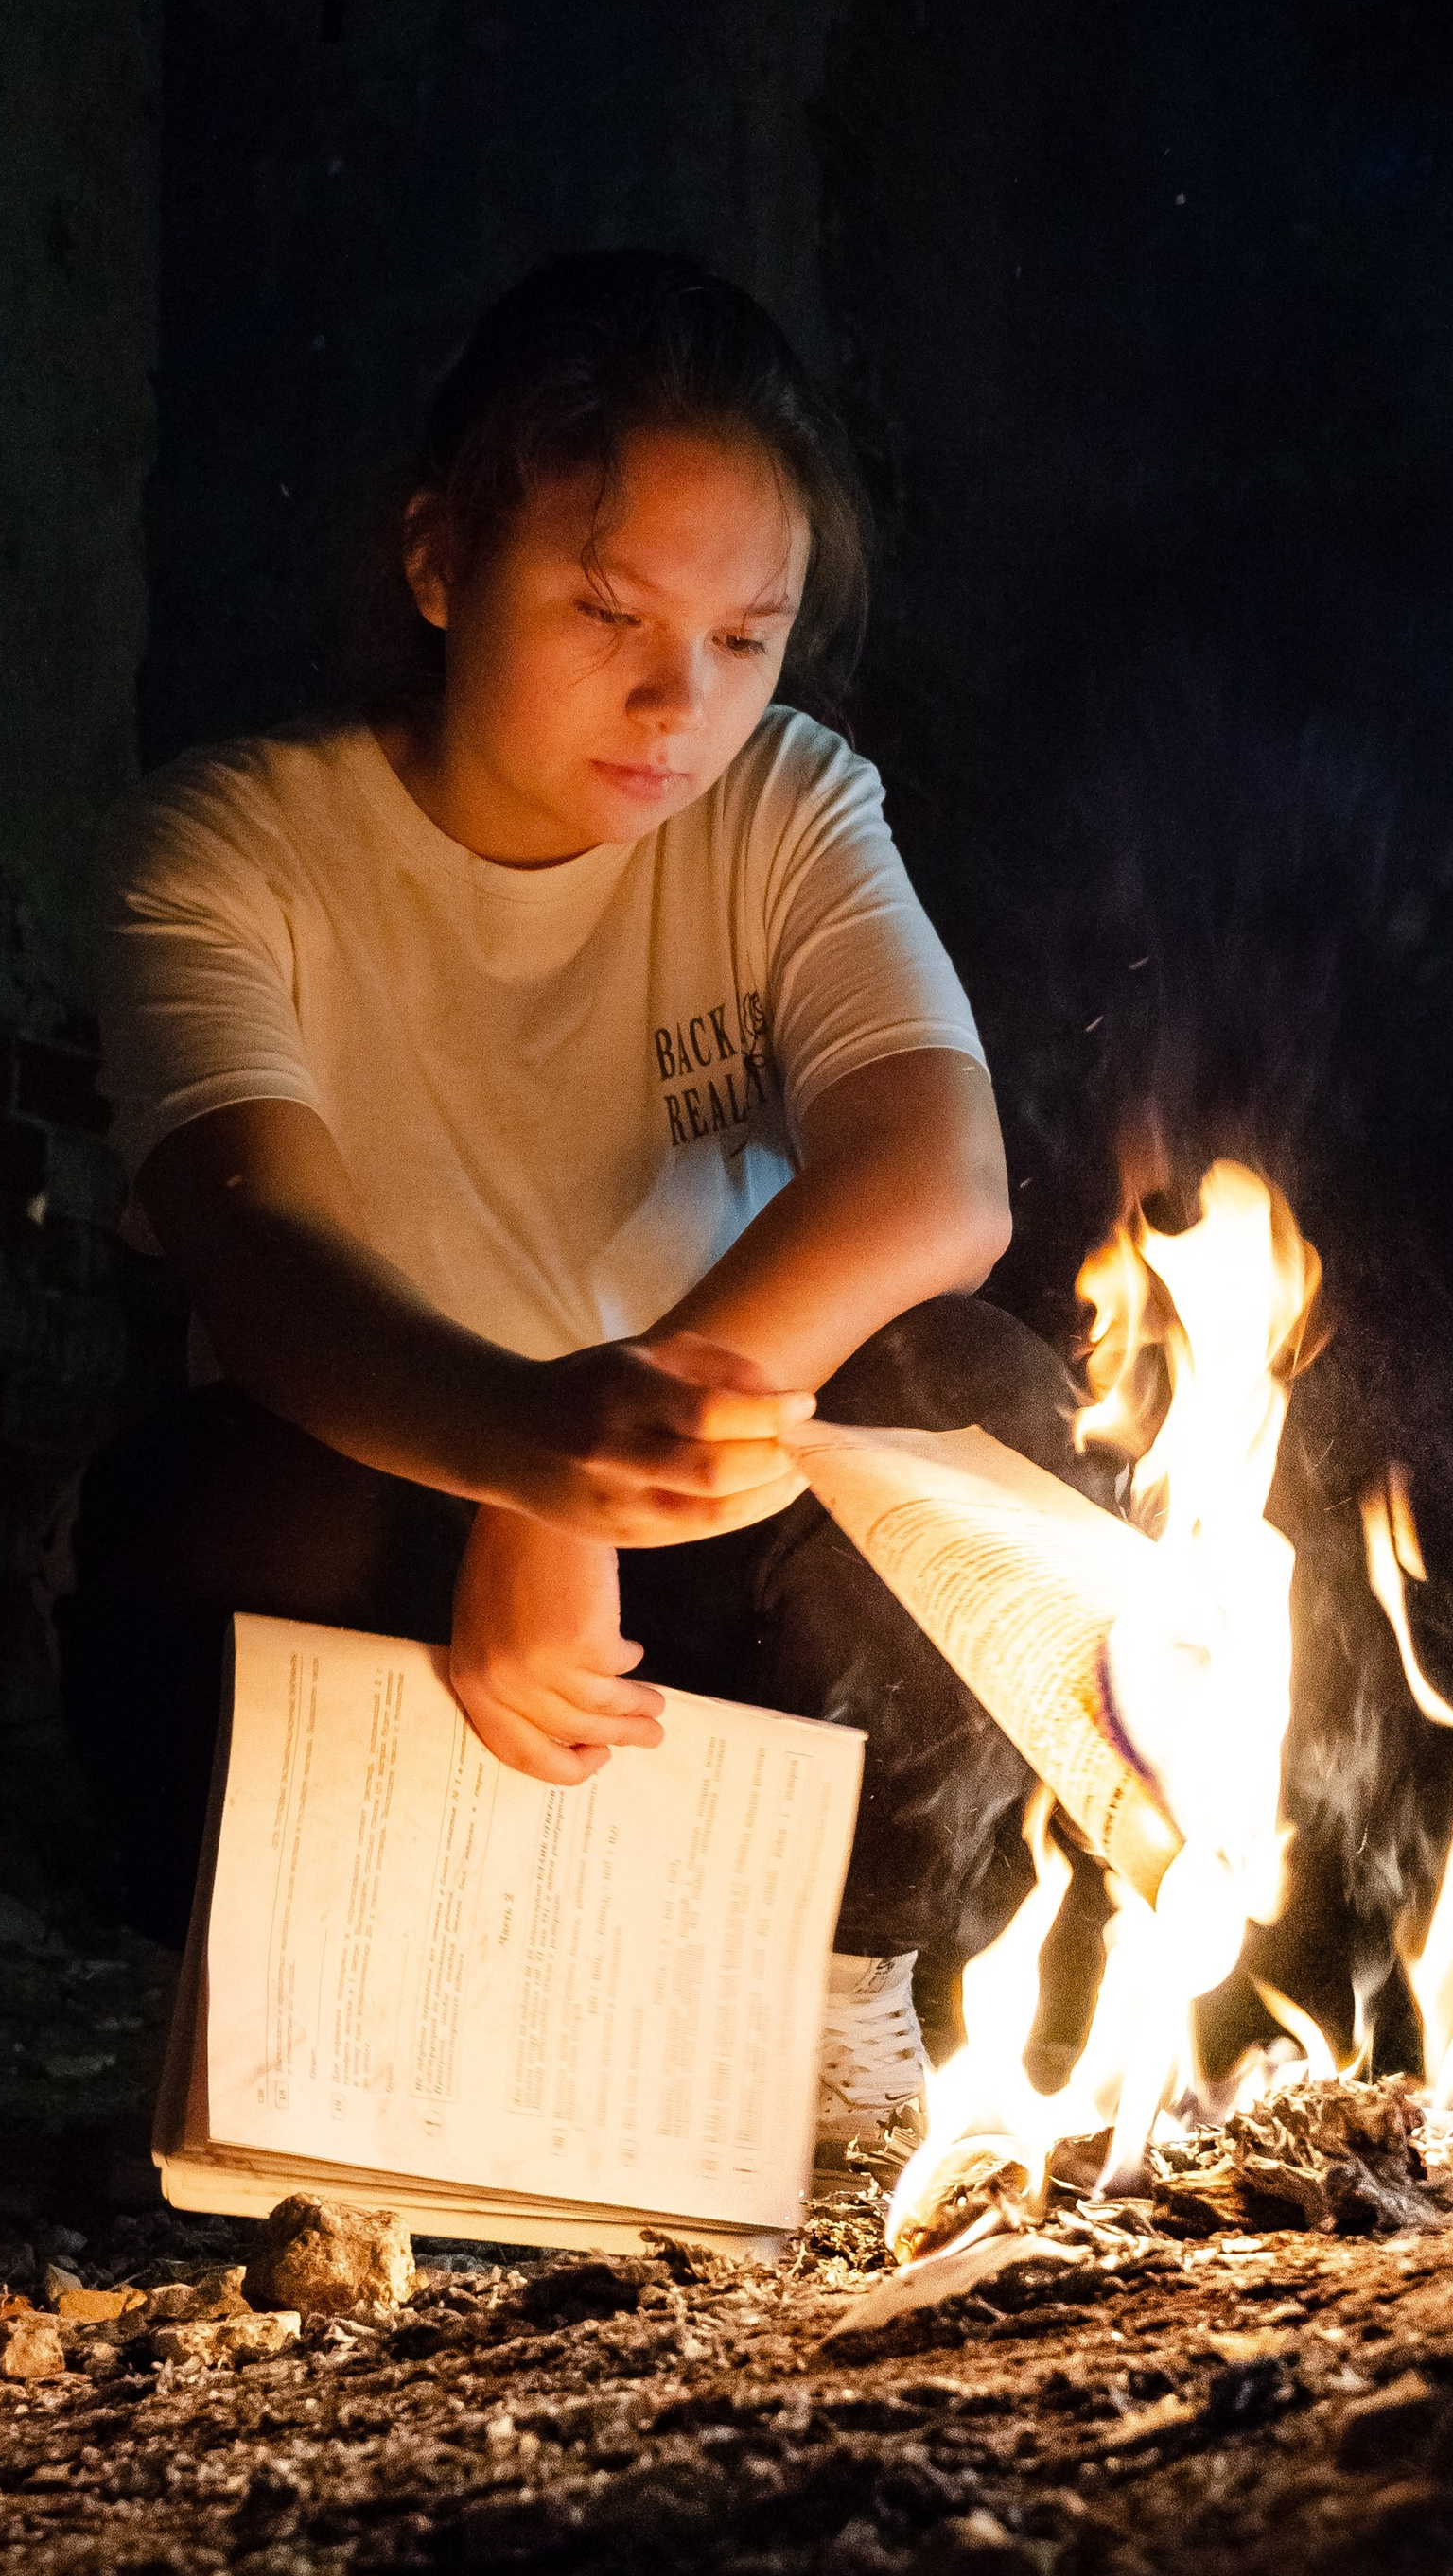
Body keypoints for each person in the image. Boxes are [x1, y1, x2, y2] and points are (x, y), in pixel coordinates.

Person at [56, 249, 1093, 2156]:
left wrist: (595, 1465)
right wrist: (518, 1453)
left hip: (707, 1541)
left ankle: (838, 1986)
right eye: (607, 609)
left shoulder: (779, 805)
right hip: (391, 1531)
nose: (676, 701)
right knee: (198, 1500)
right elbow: (260, 1254)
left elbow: (936, 1171)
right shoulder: (236, 850)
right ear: (439, 560)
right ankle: (314, 2029)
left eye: (745, 638)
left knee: (972, 1405)